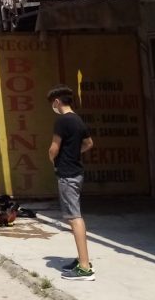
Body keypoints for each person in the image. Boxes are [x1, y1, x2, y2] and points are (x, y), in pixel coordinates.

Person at [47, 85, 95, 281]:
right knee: (75, 216)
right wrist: (74, 154)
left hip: (67, 174)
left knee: (75, 218)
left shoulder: (62, 122)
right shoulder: (78, 120)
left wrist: (54, 159)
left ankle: (84, 268)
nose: (53, 107)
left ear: (57, 102)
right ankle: (81, 259)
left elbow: (53, 148)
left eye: (53, 103)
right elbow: (89, 143)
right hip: (77, 172)